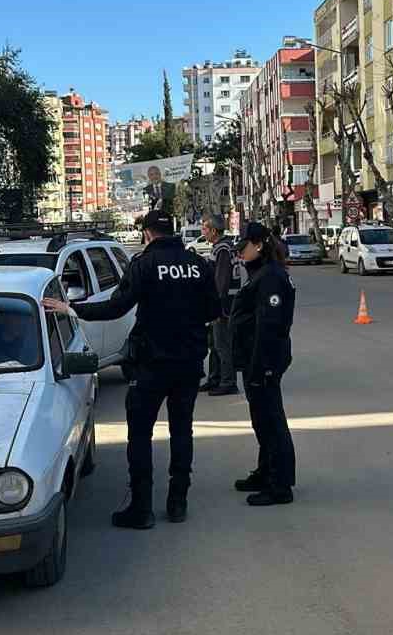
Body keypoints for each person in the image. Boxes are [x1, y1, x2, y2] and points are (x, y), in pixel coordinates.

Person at [44, 209, 219, 529]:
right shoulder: (198, 265)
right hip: (189, 363)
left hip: (151, 365)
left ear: (148, 234)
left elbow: (116, 307)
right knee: (182, 431)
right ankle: (178, 502)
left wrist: (71, 308)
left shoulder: (144, 265)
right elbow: (213, 309)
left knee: (140, 435)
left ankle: (141, 509)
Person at [229, 222, 296, 508]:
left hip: (264, 361)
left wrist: (263, 367)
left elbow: (270, 326)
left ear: (258, 245)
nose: (238, 252)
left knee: (272, 421)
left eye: (242, 246)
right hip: (254, 360)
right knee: (261, 419)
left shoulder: (271, 277)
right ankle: (265, 471)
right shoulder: (260, 273)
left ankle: (280, 485)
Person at [200, 212, 242, 396]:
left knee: (222, 344)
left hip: (224, 306)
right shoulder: (221, 246)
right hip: (223, 304)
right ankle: (215, 378)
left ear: (214, 231)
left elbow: (221, 282)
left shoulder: (223, 249)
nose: (203, 232)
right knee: (214, 344)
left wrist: (215, 306)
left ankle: (228, 381)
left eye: (205, 228)